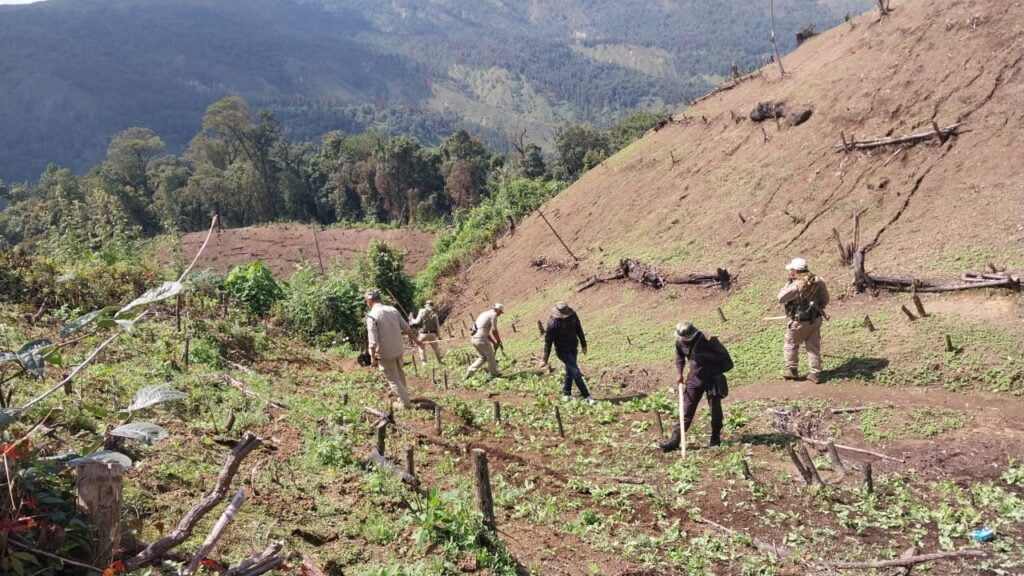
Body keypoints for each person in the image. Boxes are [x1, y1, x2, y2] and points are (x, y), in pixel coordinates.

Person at [659, 322, 733, 452]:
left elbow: (724, 356)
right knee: (686, 409)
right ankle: (676, 439)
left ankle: (715, 438)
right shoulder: (679, 341)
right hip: (694, 379)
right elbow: (679, 357)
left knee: (715, 411)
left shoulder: (709, 339)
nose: (686, 340)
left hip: (713, 379)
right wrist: (679, 373)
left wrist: (706, 356)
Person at [777, 258, 830, 383]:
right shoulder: (818, 280)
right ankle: (815, 373)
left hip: (799, 322)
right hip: (815, 319)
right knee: (813, 347)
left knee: (791, 344)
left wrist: (788, 284)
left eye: (791, 270)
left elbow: (780, 298)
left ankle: (791, 370)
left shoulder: (796, 285)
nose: (790, 272)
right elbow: (826, 300)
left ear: (795, 271)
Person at [364, 289, 418, 408]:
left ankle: (405, 404)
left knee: (393, 379)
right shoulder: (393, 310)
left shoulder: (372, 316)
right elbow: (406, 328)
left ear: (369, 301)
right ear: (379, 299)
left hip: (385, 353)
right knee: (399, 374)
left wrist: (372, 357)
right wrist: (417, 341)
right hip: (398, 349)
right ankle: (404, 397)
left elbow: (372, 341)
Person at [540, 301, 597, 404]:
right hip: (562, 351)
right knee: (575, 372)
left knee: (570, 371)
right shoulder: (552, 323)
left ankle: (566, 394)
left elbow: (579, 329)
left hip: (573, 347)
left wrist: (584, 345)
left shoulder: (572, 316)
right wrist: (545, 359)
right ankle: (587, 396)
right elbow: (548, 342)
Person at [465, 303, 504, 379]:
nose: (500, 315)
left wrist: (494, 343)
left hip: (474, 339)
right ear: (498, 311)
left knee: (483, 357)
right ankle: (494, 374)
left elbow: (485, 332)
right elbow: (494, 330)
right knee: (491, 356)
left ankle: (470, 371)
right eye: (500, 313)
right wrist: (498, 340)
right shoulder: (494, 315)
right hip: (481, 339)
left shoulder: (484, 314)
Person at [410, 300, 444, 365]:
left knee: (421, 347)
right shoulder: (435, 314)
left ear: (426, 305)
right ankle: (439, 360)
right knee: (436, 348)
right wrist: (439, 336)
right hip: (432, 334)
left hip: (423, 334)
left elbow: (417, 322)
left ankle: (424, 362)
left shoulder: (422, 311)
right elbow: (437, 326)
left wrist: (411, 320)